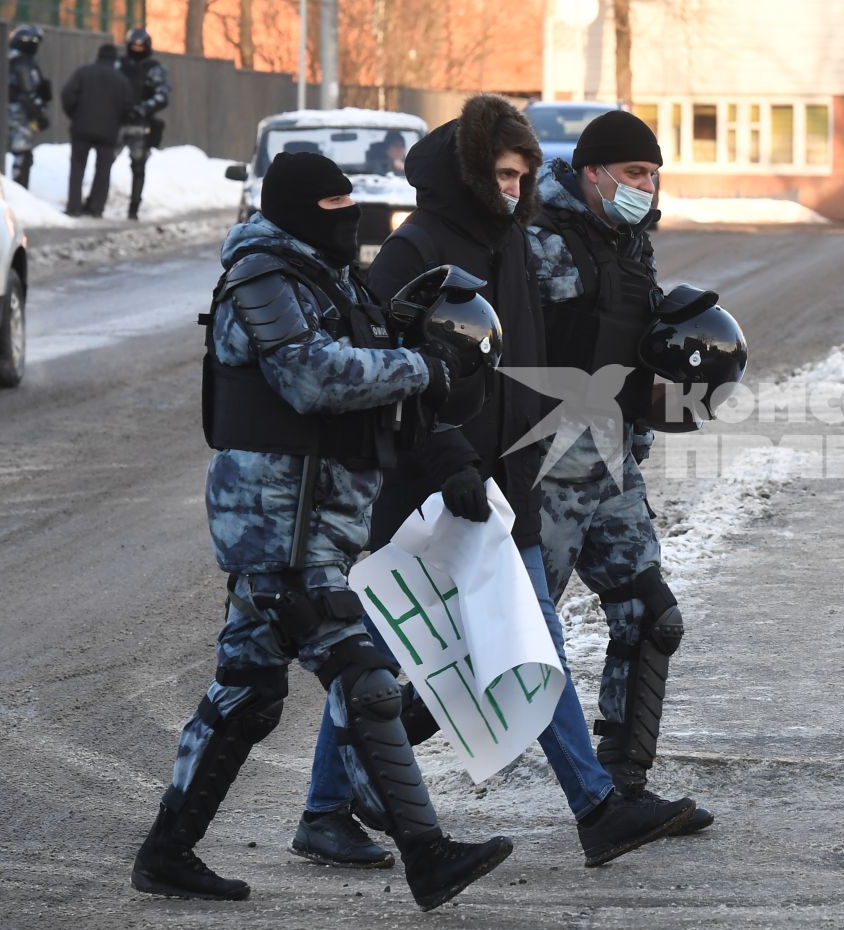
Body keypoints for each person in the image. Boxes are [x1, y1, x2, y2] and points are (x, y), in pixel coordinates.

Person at [294, 94, 694, 871]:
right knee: (388, 652)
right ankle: (332, 807)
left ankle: (596, 805)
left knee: (504, 640)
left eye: (521, 176)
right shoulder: (414, 253)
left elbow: (523, 365)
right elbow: (396, 378)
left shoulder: (510, 245)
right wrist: (451, 461)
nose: (515, 189)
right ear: (472, 173)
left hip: (504, 481)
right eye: (503, 175)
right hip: (429, 486)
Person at [131, 150, 514, 910]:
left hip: (317, 523)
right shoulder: (261, 280)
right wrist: (418, 368)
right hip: (276, 522)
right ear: (301, 214)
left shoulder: (324, 279)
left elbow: (368, 370)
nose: (351, 224)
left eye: (353, 208)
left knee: (248, 692)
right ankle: (428, 855)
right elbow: (311, 377)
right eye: (334, 210)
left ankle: (167, 853)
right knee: (364, 677)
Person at [529, 111, 714, 832]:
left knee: (650, 613)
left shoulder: (631, 243)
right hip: (538, 470)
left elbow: (634, 349)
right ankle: (354, 784)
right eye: (634, 173)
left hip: (608, 465)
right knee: (502, 639)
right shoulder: (537, 241)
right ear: (592, 171)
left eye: (652, 173)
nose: (647, 185)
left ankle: (621, 788)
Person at [60, 43, 134, 217]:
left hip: (81, 128)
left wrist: (74, 114)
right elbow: (128, 107)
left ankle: (74, 207)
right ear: (114, 59)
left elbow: (67, 94)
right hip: (108, 132)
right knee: (103, 170)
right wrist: (117, 121)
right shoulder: (121, 80)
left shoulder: (83, 73)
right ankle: (96, 208)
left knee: (77, 167)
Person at [119, 28, 171, 221]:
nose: (137, 49)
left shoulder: (153, 68)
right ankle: (95, 204)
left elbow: (162, 95)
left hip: (141, 123)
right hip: (119, 120)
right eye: (134, 46)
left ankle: (134, 209)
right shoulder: (120, 64)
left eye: (141, 46)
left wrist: (143, 108)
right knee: (105, 162)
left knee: (139, 166)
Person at [6, 24, 51, 189]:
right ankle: (19, 192)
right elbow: (28, 93)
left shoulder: (15, 61)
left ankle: (19, 191)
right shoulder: (22, 64)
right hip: (19, 116)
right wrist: (39, 114)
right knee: (21, 157)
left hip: (18, 115)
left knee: (23, 156)